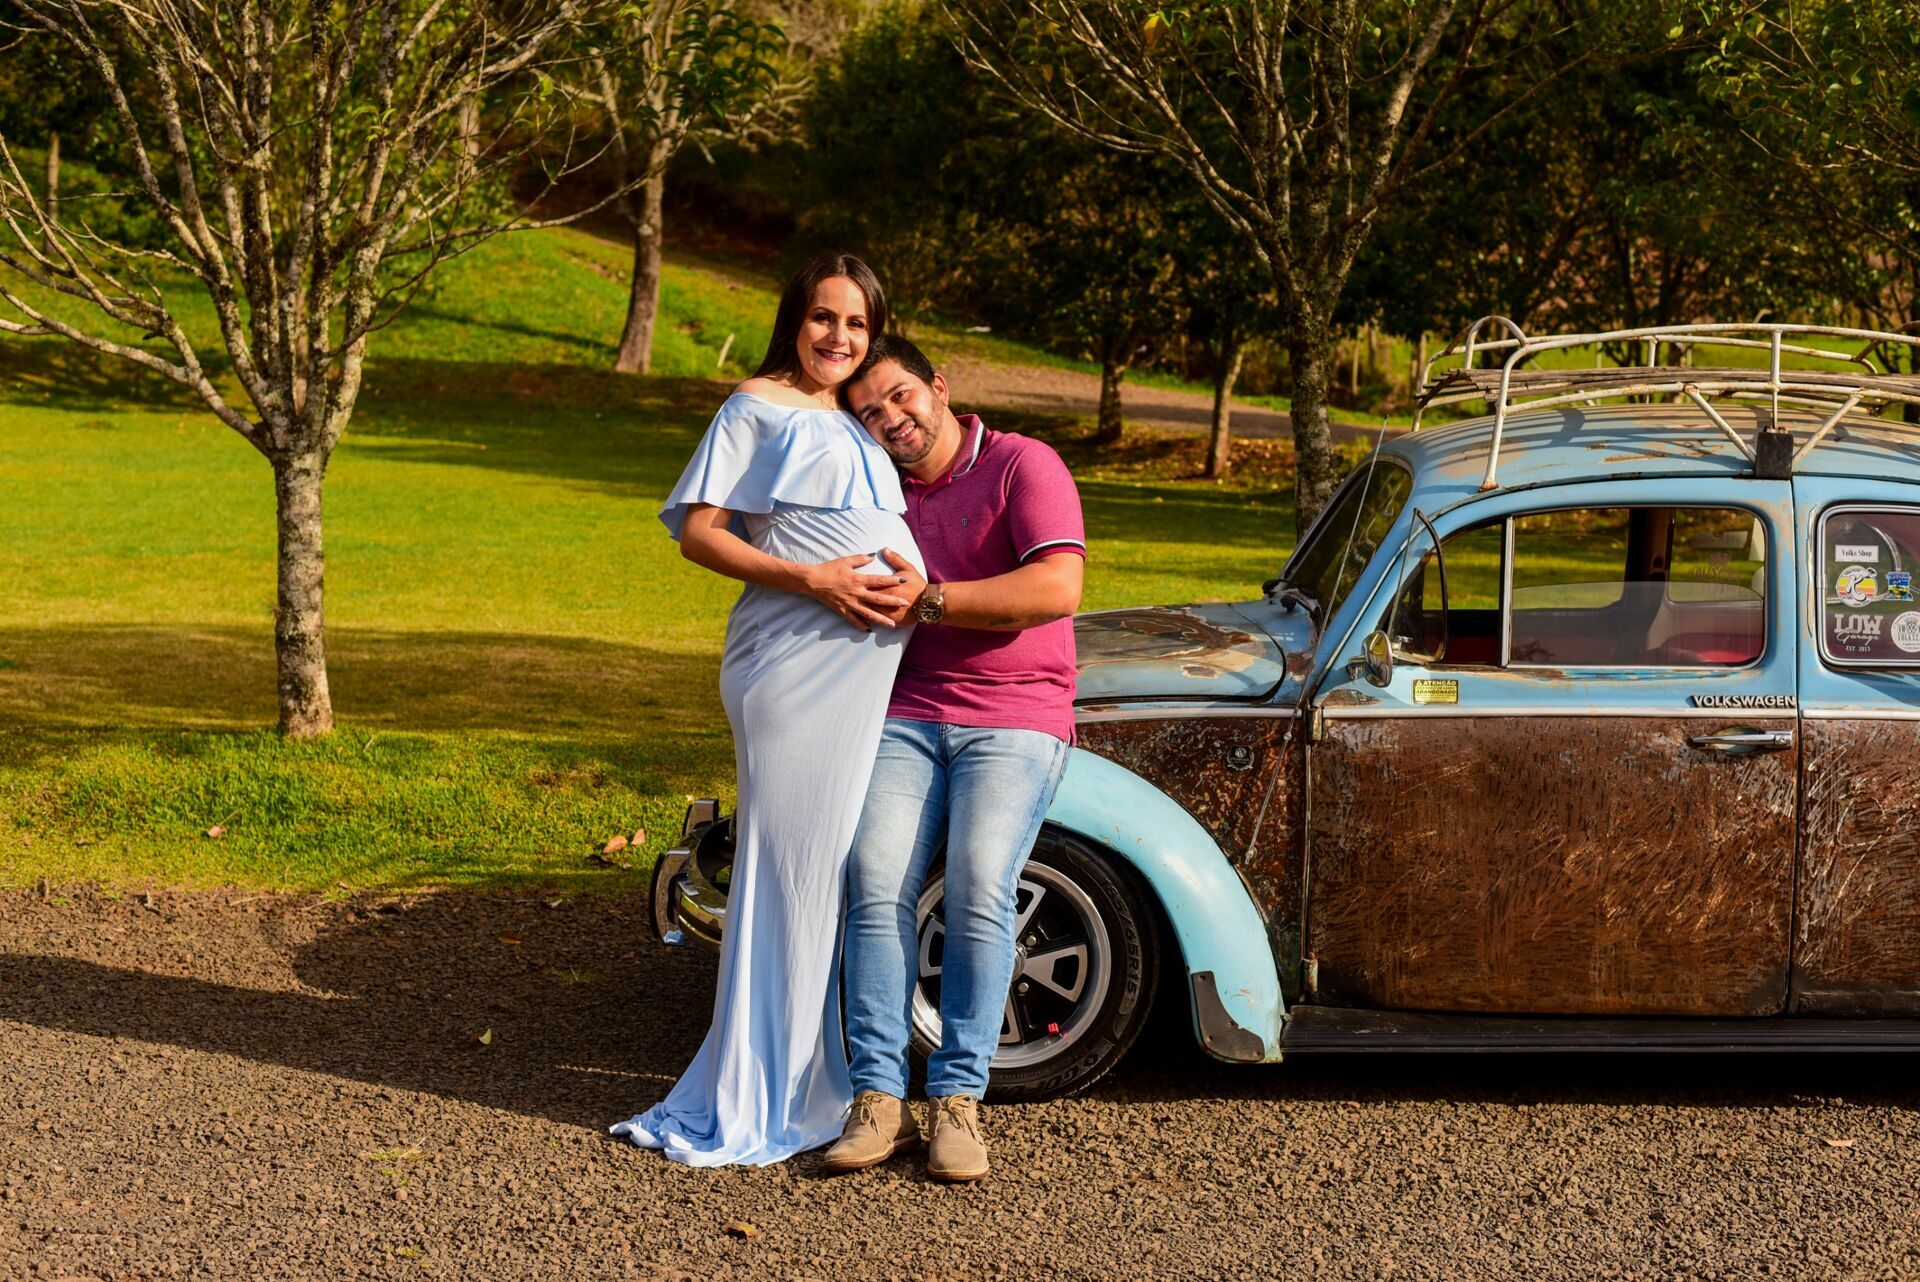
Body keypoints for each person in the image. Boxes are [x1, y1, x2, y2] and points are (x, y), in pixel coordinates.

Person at [611, 254, 924, 1167]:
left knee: (826, 875)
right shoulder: (755, 406)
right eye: (825, 317)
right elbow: (700, 533)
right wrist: (816, 580)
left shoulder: (860, 416)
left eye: (858, 324)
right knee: (789, 876)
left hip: (858, 673)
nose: (840, 337)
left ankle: (817, 1079)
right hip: (793, 666)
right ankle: (765, 1095)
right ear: (795, 318)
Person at [823, 333, 1085, 1183]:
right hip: (905, 710)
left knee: (978, 880)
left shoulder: (1021, 464)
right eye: (871, 412)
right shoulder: (876, 489)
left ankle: (958, 1099)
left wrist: (930, 601)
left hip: (1016, 712)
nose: (891, 418)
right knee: (872, 882)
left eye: (900, 396)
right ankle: (877, 1097)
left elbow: (1057, 588)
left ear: (938, 387)